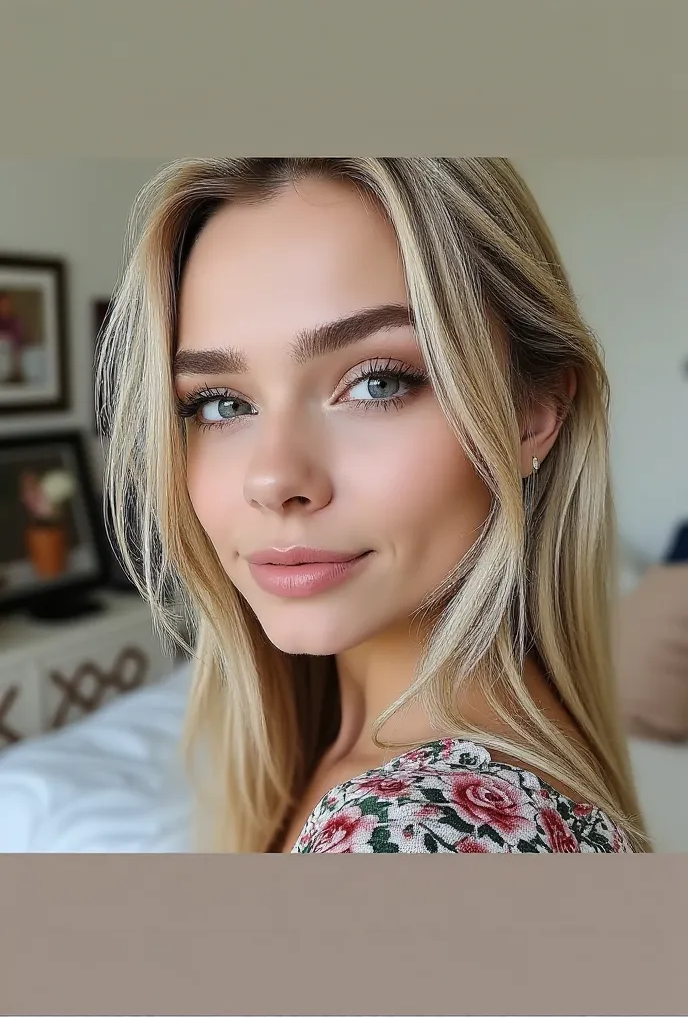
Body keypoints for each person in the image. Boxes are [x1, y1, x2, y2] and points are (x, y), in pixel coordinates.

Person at [96, 158, 649, 854]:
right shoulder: (394, 778)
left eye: (377, 384)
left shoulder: (418, 833)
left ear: (532, 414)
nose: (273, 479)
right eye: (220, 403)